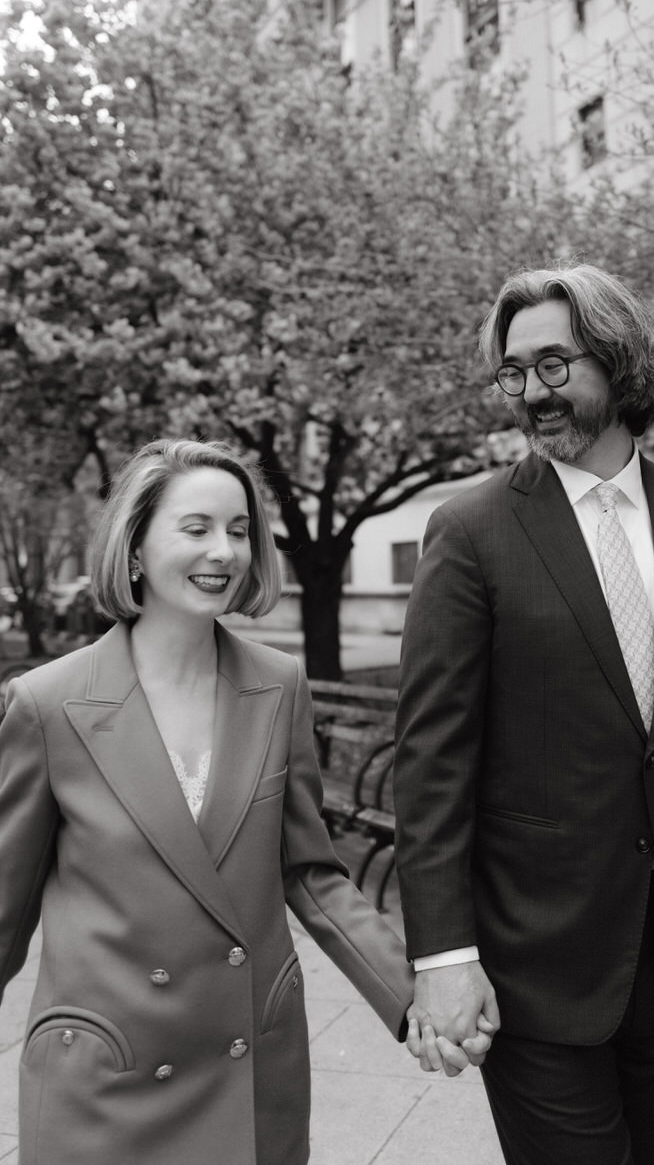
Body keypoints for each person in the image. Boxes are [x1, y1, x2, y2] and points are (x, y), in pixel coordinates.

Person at [394, 262, 654, 1165]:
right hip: (535, 964)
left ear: (619, 360)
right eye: (514, 372)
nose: (530, 393)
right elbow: (432, 759)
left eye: (553, 364)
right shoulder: (471, 530)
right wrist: (443, 958)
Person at [0, 438, 416, 1165]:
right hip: (105, 1079)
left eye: (238, 530)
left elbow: (310, 873)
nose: (223, 551)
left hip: (248, 1064)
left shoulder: (279, 683)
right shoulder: (48, 703)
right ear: (135, 547)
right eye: (195, 528)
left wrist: (411, 997)